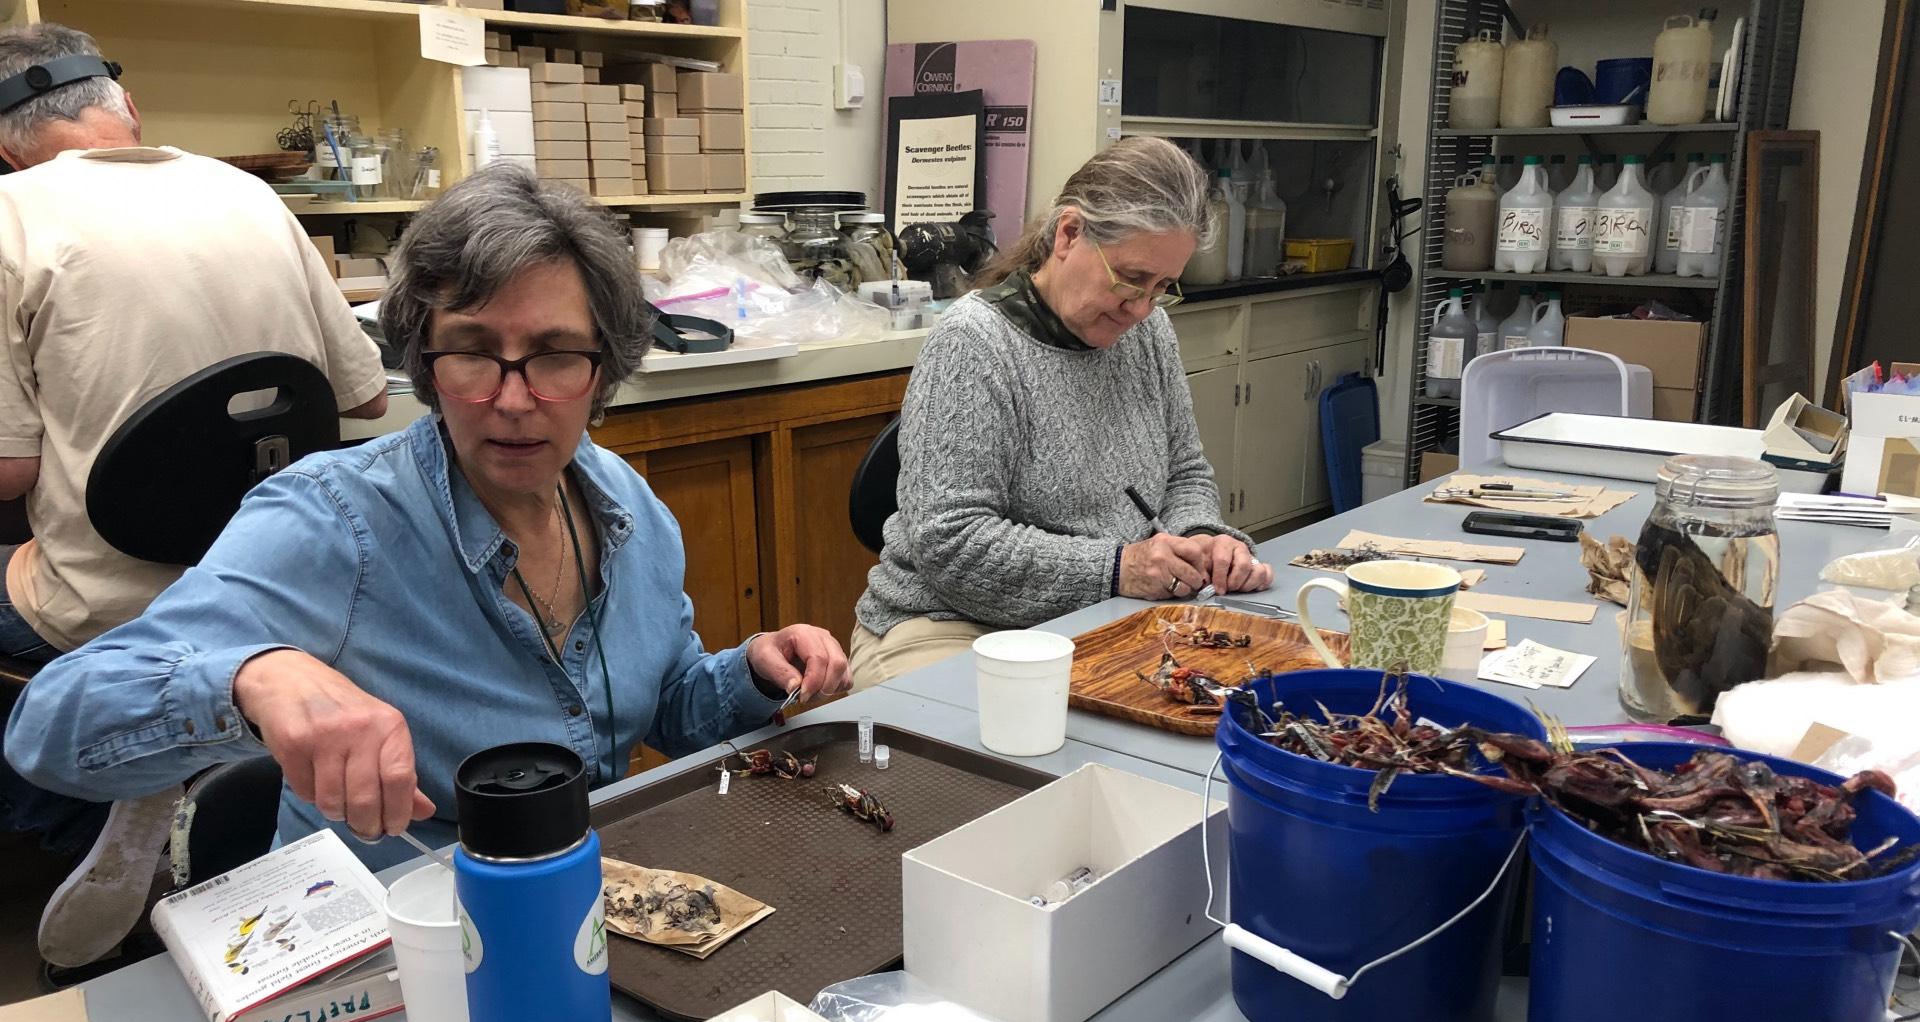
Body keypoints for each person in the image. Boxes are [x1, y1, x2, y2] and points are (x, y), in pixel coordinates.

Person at [4, 165, 850, 956]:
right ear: (424, 359)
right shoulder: (335, 518)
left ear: (605, 368)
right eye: (474, 352)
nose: (513, 400)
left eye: (555, 354)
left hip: (575, 923)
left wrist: (751, 675)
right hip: (383, 945)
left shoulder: (624, 505)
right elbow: (50, 725)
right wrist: (251, 680)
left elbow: (661, 704)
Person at [0, 23, 389, 969]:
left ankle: (96, 804)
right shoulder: (249, 193)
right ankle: (195, 777)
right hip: (288, 590)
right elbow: (366, 398)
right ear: (128, 112)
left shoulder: (10, 214)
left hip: (121, 606)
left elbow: (9, 474)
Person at [849, 137, 1274, 691]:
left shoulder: (1147, 334)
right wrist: (1117, 568)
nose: (1142, 307)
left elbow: (1185, 472)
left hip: (1097, 615)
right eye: (1131, 278)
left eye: (1164, 287)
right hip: (950, 625)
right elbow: (951, 542)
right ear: (1069, 234)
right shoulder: (974, 344)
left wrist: (1200, 541)